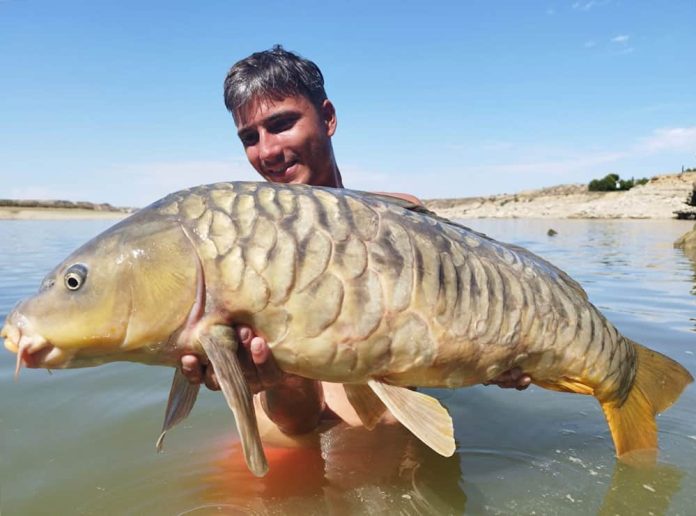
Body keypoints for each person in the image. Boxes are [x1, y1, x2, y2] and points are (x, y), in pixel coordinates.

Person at [180, 46, 531, 439]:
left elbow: (459, 335)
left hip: (391, 447)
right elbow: (298, 424)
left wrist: (494, 359)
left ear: (328, 118)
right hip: (284, 455)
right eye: (249, 137)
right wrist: (277, 377)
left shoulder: (403, 223)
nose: (267, 151)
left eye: (280, 124)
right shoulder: (244, 251)